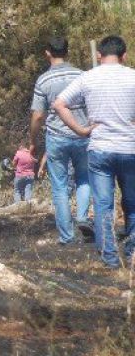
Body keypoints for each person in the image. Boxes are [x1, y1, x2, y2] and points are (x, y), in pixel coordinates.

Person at [55, 35, 135, 269]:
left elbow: (59, 103)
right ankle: (131, 254)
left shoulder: (88, 77)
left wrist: (81, 130)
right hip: (130, 149)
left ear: (99, 55)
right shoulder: (132, 76)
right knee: (132, 204)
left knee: (103, 204)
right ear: (124, 56)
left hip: (100, 149)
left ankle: (109, 258)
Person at [29, 37, 93, 245]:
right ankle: (82, 217)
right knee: (84, 179)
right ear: (68, 52)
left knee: (59, 186)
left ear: (48, 53)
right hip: (82, 136)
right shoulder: (82, 75)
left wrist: (33, 141)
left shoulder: (43, 80)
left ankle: (67, 236)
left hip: (57, 137)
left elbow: (38, 116)